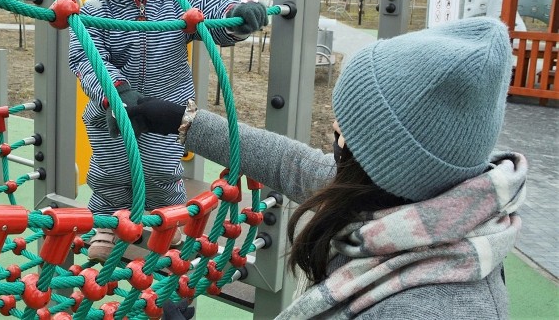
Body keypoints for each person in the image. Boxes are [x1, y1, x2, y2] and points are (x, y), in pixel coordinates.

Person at [128, 17, 525, 319]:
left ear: (390, 159)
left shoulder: (429, 307)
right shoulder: (419, 200)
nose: (334, 128)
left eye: (348, 126)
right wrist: (183, 121)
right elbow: (294, 164)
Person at [69, 0, 269, 262]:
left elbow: (214, 11)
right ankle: (106, 223)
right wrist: (115, 90)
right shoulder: (96, 7)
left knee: (164, 169)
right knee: (111, 171)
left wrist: (239, 12)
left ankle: (168, 222)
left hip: (165, 109)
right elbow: (86, 56)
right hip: (114, 107)